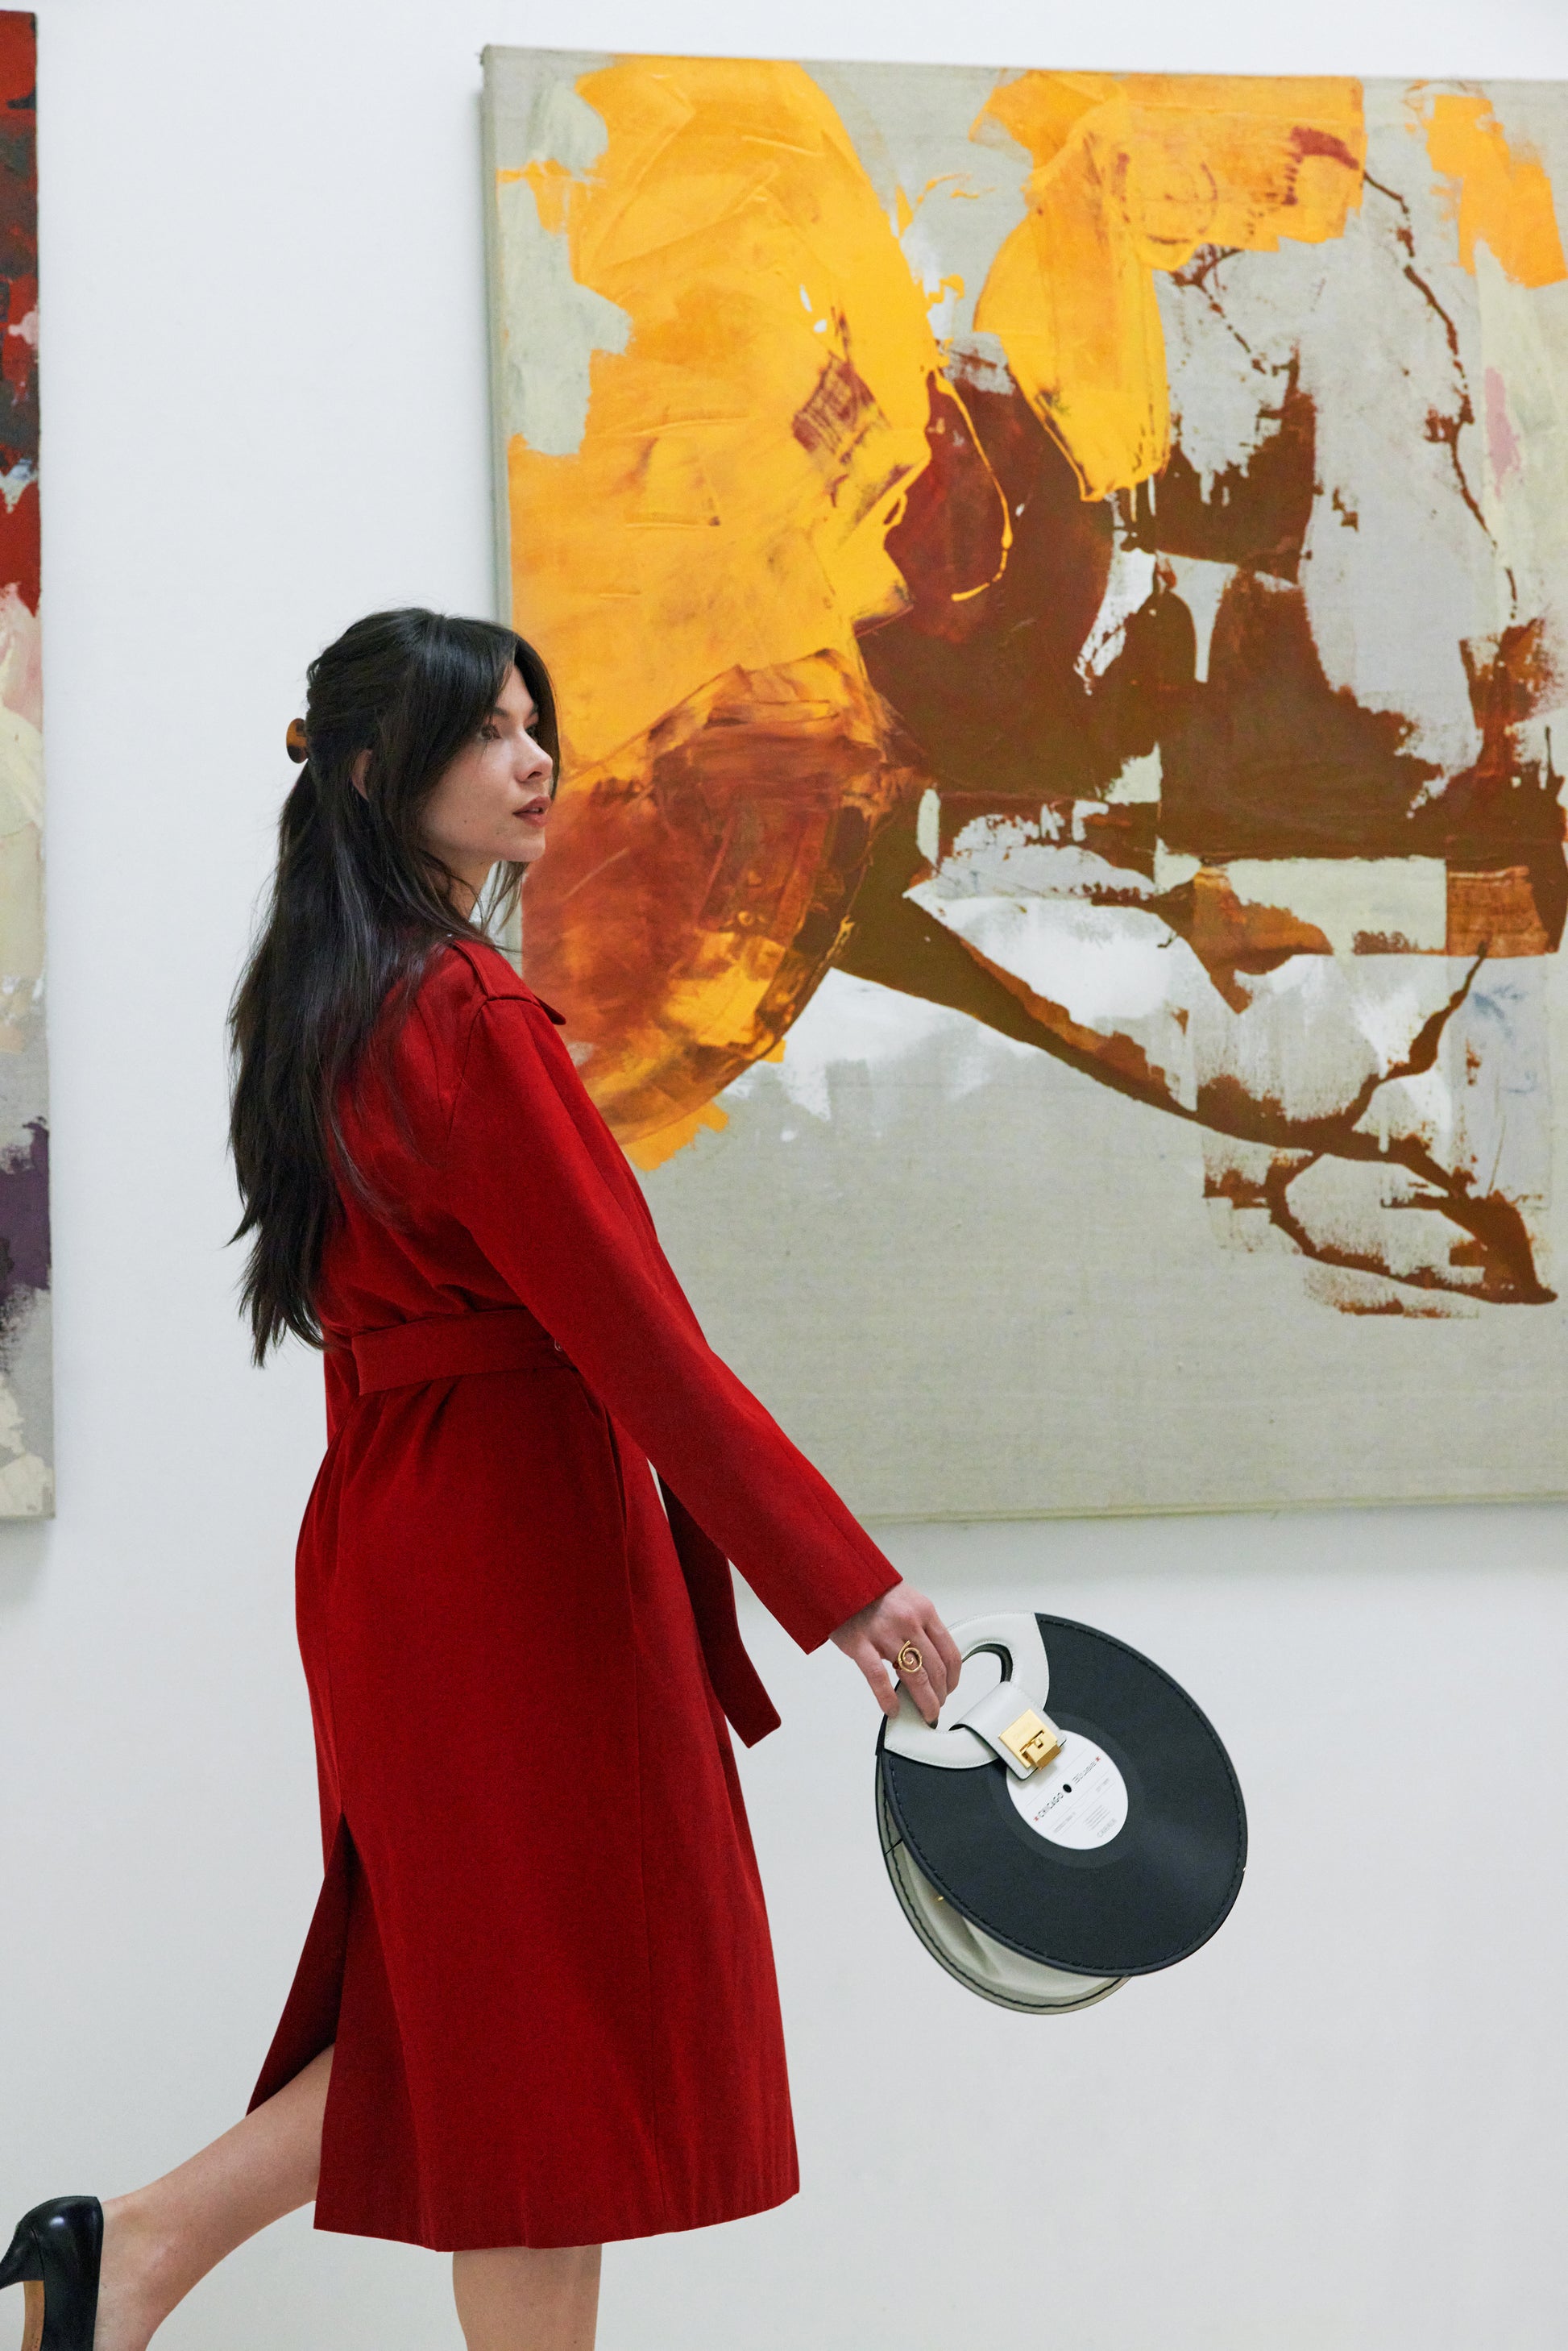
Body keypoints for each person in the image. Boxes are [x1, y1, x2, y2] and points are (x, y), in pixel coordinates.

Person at [2, 609, 961, 2351]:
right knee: (542, 2047)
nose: (535, 761)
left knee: (491, 2009)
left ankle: (124, 2253)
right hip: (520, 1562)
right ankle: (126, 2250)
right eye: (488, 732)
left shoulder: (325, 1002)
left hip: (399, 1534)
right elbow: (641, 1338)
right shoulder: (465, 1011)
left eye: (536, 723)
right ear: (382, 771)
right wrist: (844, 1585)